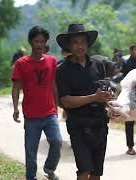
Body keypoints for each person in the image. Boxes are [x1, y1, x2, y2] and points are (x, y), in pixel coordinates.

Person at [55, 24, 111, 180]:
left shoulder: (98, 64)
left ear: (88, 44)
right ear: (69, 45)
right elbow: (66, 101)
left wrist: (110, 103)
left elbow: (104, 92)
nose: (80, 46)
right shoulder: (62, 70)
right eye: (75, 42)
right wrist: (94, 97)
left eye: (83, 42)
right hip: (78, 126)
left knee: (96, 173)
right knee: (84, 170)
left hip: (100, 123)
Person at [11, 26, 62, 180]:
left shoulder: (51, 61)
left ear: (45, 43)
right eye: (36, 41)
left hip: (49, 113)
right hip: (31, 115)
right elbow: (16, 88)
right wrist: (15, 109)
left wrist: (57, 104)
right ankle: (31, 177)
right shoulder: (21, 63)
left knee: (57, 142)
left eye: (42, 41)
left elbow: (53, 84)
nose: (39, 44)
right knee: (31, 151)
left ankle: (49, 168)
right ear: (31, 42)